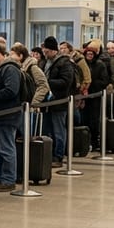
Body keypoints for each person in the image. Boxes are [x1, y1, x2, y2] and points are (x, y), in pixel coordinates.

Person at [0, 42, 21, 193]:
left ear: (0, 54)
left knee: (6, 149)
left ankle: (8, 179)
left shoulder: (10, 69)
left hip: (7, 116)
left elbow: (11, 91)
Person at [41, 38, 75, 167]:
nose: (45, 53)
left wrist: (47, 82)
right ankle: (48, 154)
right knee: (47, 130)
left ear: (54, 50)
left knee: (59, 130)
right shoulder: (45, 62)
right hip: (47, 103)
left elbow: (66, 82)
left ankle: (58, 156)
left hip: (59, 102)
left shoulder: (65, 63)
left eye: (48, 51)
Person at [82, 42, 111, 149]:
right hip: (84, 96)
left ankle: (94, 141)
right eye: (87, 54)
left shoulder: (100, 64)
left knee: (94, 119)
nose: (89, 56)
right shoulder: (83, 64)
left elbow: (105, 80)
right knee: (84, 118)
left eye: (91, 54)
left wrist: (91, 83)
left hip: (95, 96)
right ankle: (85, 140)